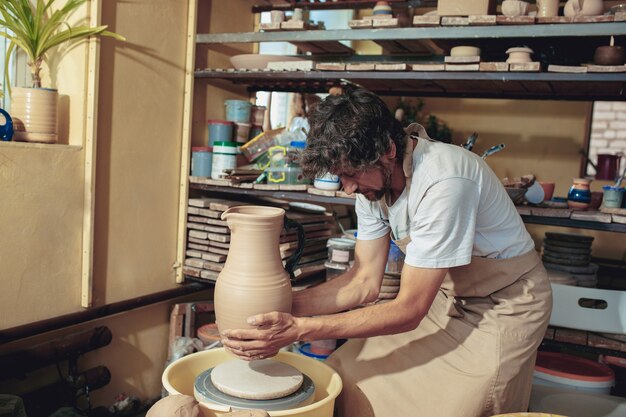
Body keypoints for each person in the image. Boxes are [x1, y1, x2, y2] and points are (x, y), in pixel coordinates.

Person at [220, 88, 552, 417]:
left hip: (504, 307)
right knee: (343, 376)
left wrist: (302, 328)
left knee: (456, 408)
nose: (347, 188)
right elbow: (364, 282)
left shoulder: (444, 180)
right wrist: (275, 307)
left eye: (351, 174)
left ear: (388, 151)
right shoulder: (373, 186)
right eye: (340, 176)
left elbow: (409, 309)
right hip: (446, 300)